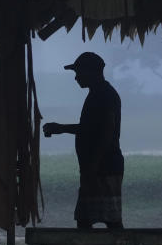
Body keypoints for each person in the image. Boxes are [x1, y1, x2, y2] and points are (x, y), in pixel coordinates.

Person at [43, 52, 124, 230]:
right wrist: (62, 128)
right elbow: (91, 129)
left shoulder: (104, 95)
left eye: (79, 72)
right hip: (100, 167)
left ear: (92, 72)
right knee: (92, 217)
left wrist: (94, 164)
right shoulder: (100, 94)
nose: (76, 77)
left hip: (103, 168)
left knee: (105, 219)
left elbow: (106, 132)